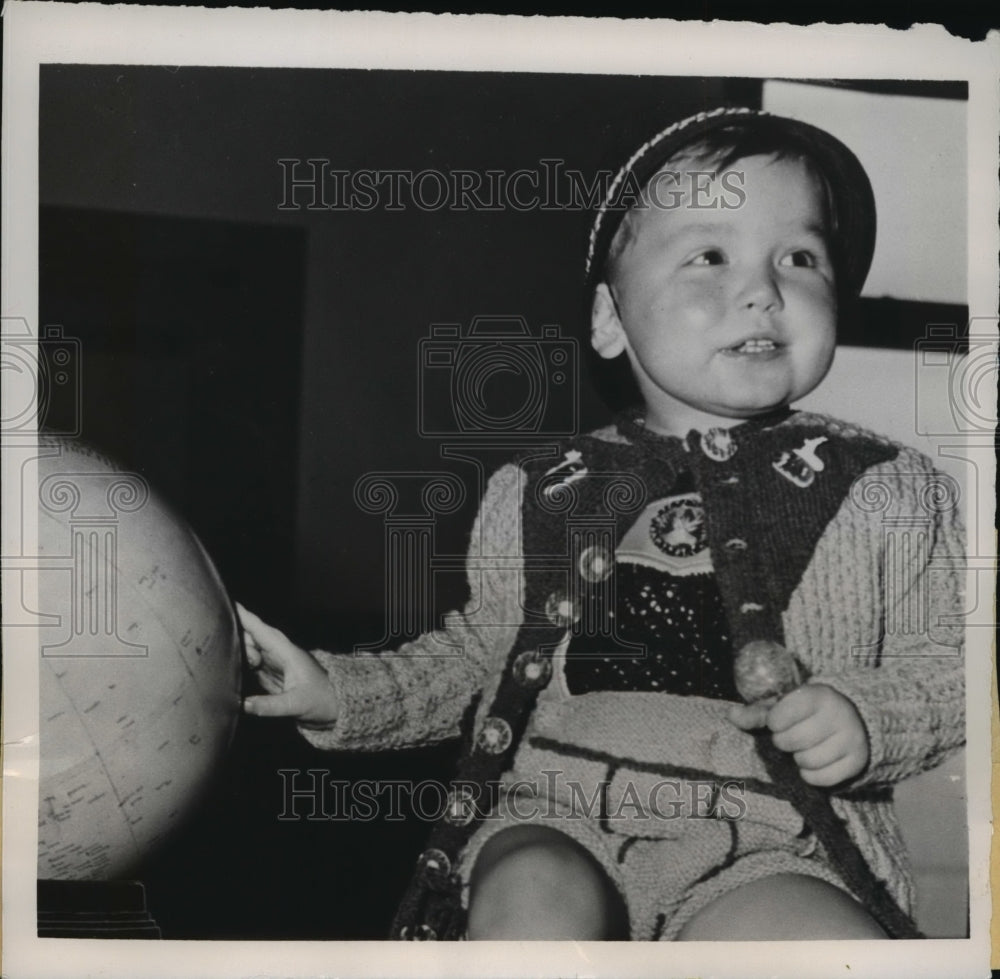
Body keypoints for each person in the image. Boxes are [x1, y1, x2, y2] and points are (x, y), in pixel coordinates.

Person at [238, 106, 965, 941]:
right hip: (560, 810)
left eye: (800, 257)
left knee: (826, 949)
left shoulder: (887, 490)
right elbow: (476, 658)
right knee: (531, 899)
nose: (764, 288)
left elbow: (952, 671)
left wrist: (869, 713)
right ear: (610, 320)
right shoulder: (541, 488)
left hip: (776, 839)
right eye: (710, 254)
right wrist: (340, 693)